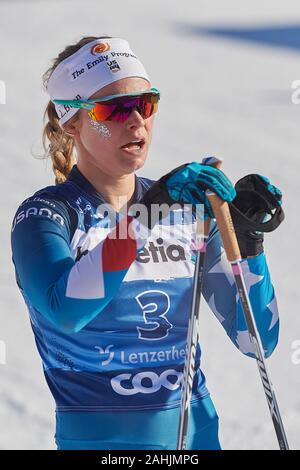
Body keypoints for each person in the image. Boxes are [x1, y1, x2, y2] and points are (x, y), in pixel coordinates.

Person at [11, 35, 284, 450]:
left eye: (146, 104)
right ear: (72, 122)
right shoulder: (46, 216)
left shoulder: (184, 209)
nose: (136, 120)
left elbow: (258, 341)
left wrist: (247, 243)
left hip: (195, 440)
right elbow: (65, 310)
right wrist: (147, 215)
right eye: (114, 109)